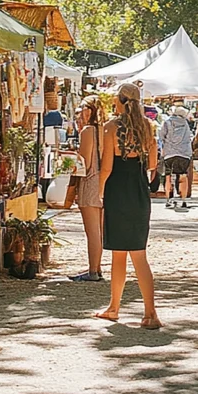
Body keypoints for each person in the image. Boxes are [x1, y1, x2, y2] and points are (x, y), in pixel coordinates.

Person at [95, 82, 161, 329]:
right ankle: (149, 312)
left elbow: (107, 167)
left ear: (120, 100)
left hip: (117, 189)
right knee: (139, 254)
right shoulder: (148, 127)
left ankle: (114, 307)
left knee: (118, 253)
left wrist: (100, 191)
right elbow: (153, 163)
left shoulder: (110, 128)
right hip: (138, 188)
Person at [70, 96, 105, 282]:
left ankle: (92, 270)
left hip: (90, 182)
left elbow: (82, 162)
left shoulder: (87, 131)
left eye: (81, 109)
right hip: (104, 182)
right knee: (98, 230)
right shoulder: (105, 130)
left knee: (92, 231)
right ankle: (96, 268)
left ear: (89, 111)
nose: (78, 114)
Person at [159, 105, 193, 210]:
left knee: (168, 177)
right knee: (183, 176)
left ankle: (169, 200)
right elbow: (189, 137)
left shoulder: (167, 122)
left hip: (170, 153)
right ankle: (183, 200)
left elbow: (161, 136)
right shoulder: (185, 124)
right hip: (184, 154)